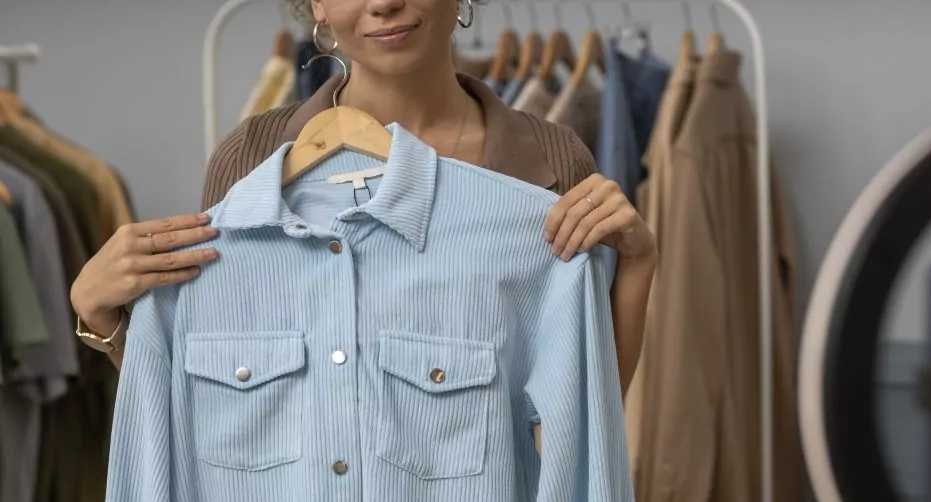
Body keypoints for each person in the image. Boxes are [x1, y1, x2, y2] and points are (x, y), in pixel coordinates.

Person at [69, 0, 657, 393]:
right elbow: (212, 394)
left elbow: (585, 409)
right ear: (318, 4)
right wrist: (104, 322)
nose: (382, 3)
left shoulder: (550, 163)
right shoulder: (253, 160)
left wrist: (638, 264)